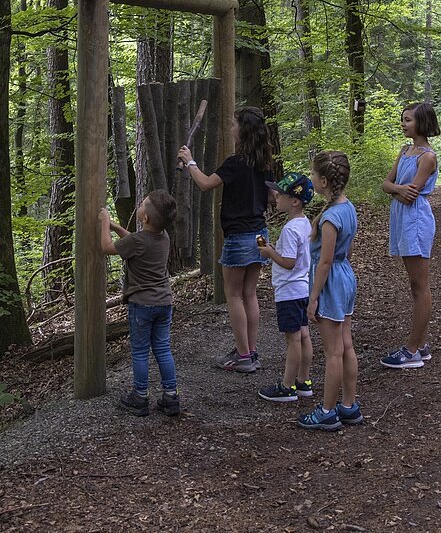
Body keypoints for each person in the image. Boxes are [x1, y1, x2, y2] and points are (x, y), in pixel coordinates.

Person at [178, 106, 274, 373]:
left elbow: (206, 183)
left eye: (233, 124)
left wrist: (190, 162)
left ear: (243, 130)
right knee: (250, 293)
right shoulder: (264, 164)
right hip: (259, 235)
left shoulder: (235, 163)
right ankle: (250, 351)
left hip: (238, 237)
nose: (231, 129)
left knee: (234, 294)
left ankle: (243, 355)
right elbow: (270, 197)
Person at [99, 190, 182, 416]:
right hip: (164, 303)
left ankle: (140, 396)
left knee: (140, 351)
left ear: (145, 219)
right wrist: (117, 228)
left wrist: (105, 223)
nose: (140, 205)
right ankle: (170, 396)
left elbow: (107, 248)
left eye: (143, 204)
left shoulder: (137, 241)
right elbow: (132, 242)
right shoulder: (163, 236)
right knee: (163, 348)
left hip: (142, 306)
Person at [298, 150, 362, 431]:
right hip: (345, 277)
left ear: (324, 181)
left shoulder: (330, 219)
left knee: (333, 351)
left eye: (313, 175)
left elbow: (324, 262)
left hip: (331, 283)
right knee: (346, 344)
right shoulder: (348, 208)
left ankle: (326, 411)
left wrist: (313, 299)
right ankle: (348, 406)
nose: (311, 179)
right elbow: (346, 252)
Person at [380, 102, 439, 370]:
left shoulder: (427, 157)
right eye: (403, 120)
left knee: (419, 285)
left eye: (408, 120)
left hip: (416, 220)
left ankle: (413, 350)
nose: (404, 124)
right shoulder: (405, 151)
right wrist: (396, 189)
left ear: (422, 123)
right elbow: (386, 184)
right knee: (414, 285)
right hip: (403, 219)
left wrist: (397, 189)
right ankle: (420, 344)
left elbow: (410, 194)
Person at [256, 172, 315, 403]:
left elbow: (289, 263)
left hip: (289, 291)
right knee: (303, 335)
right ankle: (303, 380)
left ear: (295, 201)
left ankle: (287, 386)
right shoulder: (304, 223)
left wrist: (270, 253)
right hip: (302, 288)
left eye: (280, 194)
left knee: (293, 340)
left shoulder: (291, 229)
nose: (275, 196)